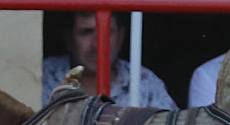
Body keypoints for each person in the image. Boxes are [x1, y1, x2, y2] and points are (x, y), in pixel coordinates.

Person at [41, 11, 177, 110]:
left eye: (107, 32)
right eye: (86, 32)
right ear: (69, 39)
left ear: (120, 37)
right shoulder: (42, 78)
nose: (96, 45)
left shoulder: (145, 82)